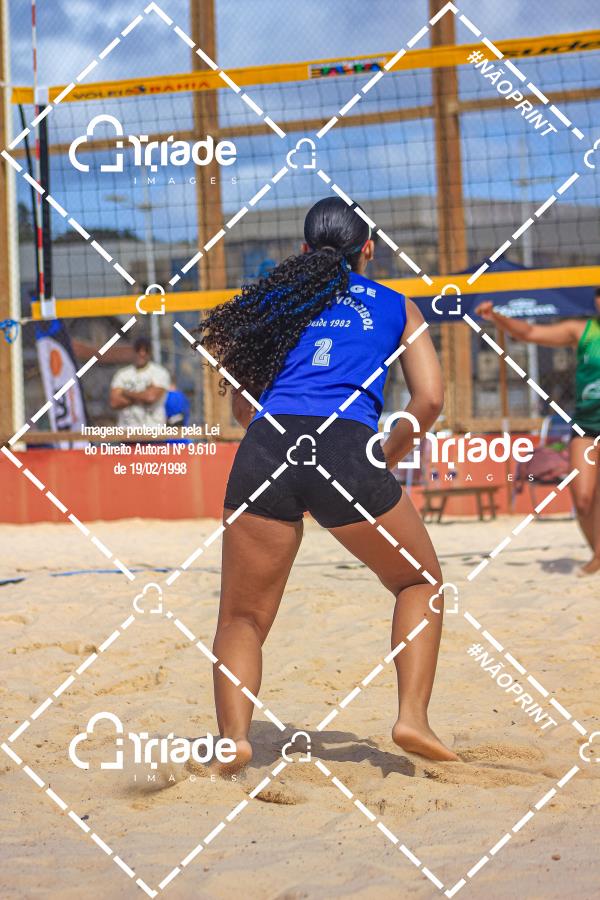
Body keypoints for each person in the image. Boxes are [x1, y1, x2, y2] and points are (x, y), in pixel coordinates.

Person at [198, 197, 457, 770]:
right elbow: (429, 400)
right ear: (368, 249)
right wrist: (382, 457)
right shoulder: (396, 305)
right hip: (347, 446)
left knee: (241, 618)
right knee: (419, 583)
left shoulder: (274, 302)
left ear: (303, 249)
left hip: (267, 446)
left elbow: (242, 406)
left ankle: (234, 739)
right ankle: (412, 718)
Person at [476, 290, 600, 575]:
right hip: (587, 425)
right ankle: (598, 554)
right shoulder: (583, 330)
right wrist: (496, 317)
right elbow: (530, 332)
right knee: (583, 498)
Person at [109, 337, 171, 428]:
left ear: (150, 353)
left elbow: (151, 398)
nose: (142, 354)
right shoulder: (122, 374)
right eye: (138, 350)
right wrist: (143, 394)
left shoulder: (160, 372)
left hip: (153, 430)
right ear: (133, 352)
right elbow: (114, 402)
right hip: (126, 430)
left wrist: (125, 393)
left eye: (146, 350)